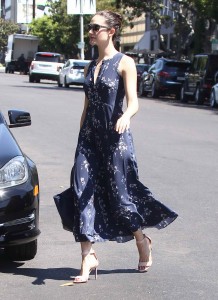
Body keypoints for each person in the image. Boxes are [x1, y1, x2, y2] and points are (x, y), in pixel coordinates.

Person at [68, 10, 178, 284]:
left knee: (121, 198)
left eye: (95, 27)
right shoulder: (89, 66)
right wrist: (81, 140)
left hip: (116, 141)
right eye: (90, 27)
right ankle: (87, 256)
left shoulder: (125, 62)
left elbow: (134, 102)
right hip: (89, 141)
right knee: (83, 194)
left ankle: (141, 239)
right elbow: (87, 107)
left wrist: (126, 116)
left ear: (111, 31)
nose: (91, 31)